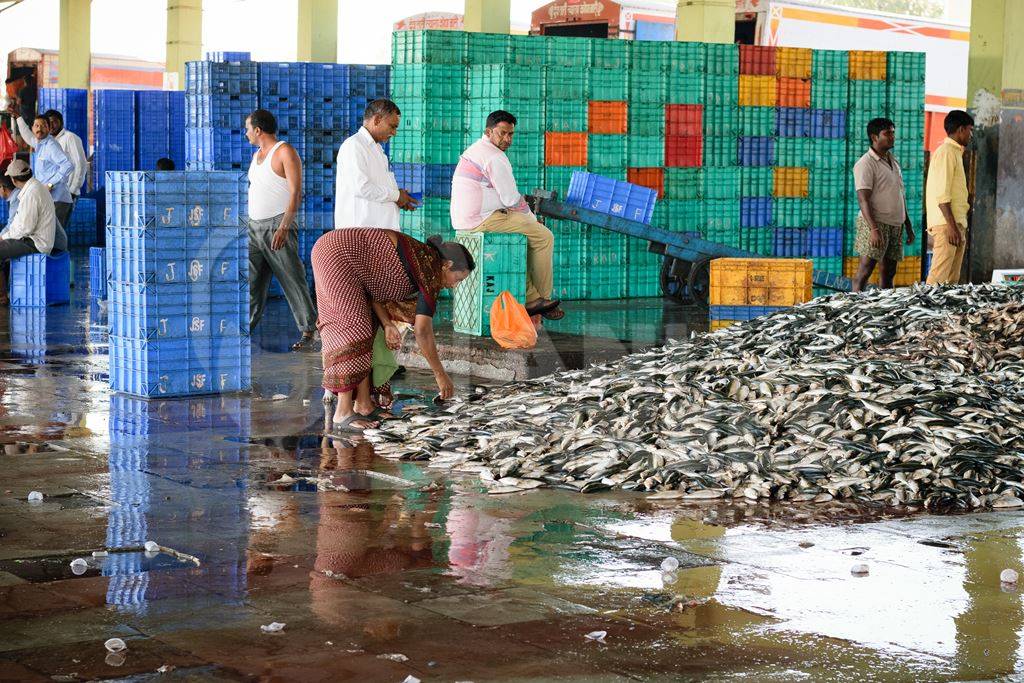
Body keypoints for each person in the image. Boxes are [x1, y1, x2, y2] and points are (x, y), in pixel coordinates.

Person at [311, 229, 474, 431]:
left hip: (343, 258)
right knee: (353, 329)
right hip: (335, 255)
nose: (454, 286)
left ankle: (363, 404)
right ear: (447, 265)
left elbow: (373, 293)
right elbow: (422, 331)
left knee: (369, 328)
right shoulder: (429, 269)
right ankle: (342, 411)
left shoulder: (425, 261)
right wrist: (440, 375)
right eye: (457, 279)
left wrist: (387, 324)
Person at [451, 110, 563, 320]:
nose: (507, 139)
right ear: (488, 131)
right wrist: (531, 219)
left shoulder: (476, 149)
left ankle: (533, 296)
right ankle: (541, 301)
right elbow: (512, 199)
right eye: (502, 133)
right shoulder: (494, 157)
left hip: (472, 217)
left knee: (530, 235)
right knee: (543, 236)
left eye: (510, 134)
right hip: (481, 219)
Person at [244, 109, 318, 350]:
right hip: (253, 227)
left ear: (258, 130)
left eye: (248, 129)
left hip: (278, 225)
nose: (246, 133)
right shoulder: (256, 156)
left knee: (292, 279)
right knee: (252, 283)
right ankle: (245, 329)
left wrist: (284, 227)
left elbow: (296, 193)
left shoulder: (285, 151)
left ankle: (309, 330)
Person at [334, 98, 418, 232]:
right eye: (392, 126)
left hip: (377, 235)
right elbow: (362, 188)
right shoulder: (354, 146)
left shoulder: (376, 149)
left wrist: (400, 197)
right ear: (377, 119)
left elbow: (378, 186)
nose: (394, 133)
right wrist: (396, 196)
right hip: (360, 236)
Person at [851, 117, 914, 291]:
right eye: (887, 133)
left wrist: (907, 224)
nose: (892, 137)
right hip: (875, 224)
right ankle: (854, 306)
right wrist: (874, 229)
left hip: (895, 225)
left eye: (893, 133)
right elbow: (863, 199)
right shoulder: (865, 164)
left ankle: (884, 309)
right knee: (865, 270)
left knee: (889, 271)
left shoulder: (893, 161)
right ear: (874, 137)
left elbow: (899, 194)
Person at [0, 161, 67, 304]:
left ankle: (2, 297)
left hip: (35, 243)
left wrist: (4, 237)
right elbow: (19, 223)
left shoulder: (32, 193)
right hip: (35, 239)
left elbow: (25, 228)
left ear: (13, 179)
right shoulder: (35, 188)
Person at [925, 110, 973, 285]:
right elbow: (942, 196)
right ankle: (926, 310)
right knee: (938, 276)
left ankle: (945, 312)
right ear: (961, 129)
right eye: (970, 129)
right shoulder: (946, 152)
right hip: (947, 225)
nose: (971, 134)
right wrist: (952, 227)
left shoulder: (955, 152)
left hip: (955, 223)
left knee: (952, 279)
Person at [8, 111, 74, 231]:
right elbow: (27, 136)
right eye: (37, 126)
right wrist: (18, 118)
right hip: (49, 199)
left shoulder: (51, 145)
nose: (40, 129)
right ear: (33, 128)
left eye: (43, 125)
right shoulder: (39, 143)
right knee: (49, 235)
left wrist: (50, 183)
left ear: (49, 129)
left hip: (58, 199)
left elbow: (68, 165)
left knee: (53, 236)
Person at [41, 110, 87, 203]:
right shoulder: (48, 141)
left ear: (61, 122)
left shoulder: (70, 138)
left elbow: (81, 164)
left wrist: (73, 189)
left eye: (54, 122)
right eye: (48, 123)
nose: (51, 125)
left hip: (68, 193)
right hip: (53, 193)